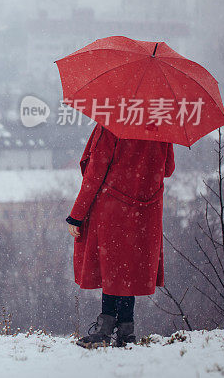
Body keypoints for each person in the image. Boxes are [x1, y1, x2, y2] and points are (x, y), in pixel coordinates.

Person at [66, 122, 175, 348]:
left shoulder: (113, 122)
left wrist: (76, 215)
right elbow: (168, 169)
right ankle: (126, 329)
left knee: (112, 268)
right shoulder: (162, 124)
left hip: (114, 208)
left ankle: (104, 328)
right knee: (128, 270)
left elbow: (95, 172)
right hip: (145, 209)